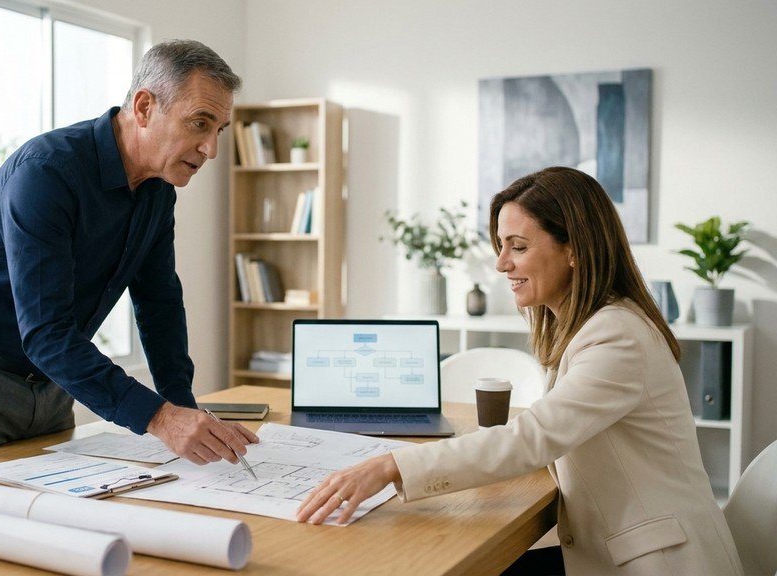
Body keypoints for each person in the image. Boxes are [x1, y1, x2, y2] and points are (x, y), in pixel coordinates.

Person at [295, 167, 744, 575]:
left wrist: (391, 466)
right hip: (618, 543)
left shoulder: (617, 336)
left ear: (574, 250)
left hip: (662, 560)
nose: (501, 263)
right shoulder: (591, 324)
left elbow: (531, 438)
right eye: (501, 245)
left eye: (519, 246)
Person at [0, 39, 258, 466]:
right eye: (200, 123)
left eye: (218, 130)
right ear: (144, 107)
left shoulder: (158, 191)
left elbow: (159, 301)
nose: (212, 149)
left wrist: (182, 408)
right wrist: (161, 419)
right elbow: (46, 331)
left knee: (52, 519)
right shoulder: (45, 172)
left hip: (51, 379)